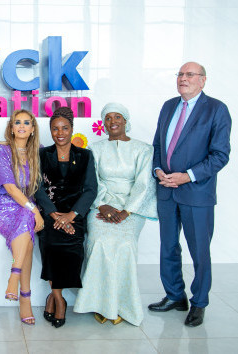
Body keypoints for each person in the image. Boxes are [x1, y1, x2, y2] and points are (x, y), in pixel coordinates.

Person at [149, 62, 232, 327]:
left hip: (196, 193)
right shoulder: (168, 106)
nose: (183, 78)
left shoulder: (216, 109)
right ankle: (175, 296)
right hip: (166, 190)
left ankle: (199, 302)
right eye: (180, 74)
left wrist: (188, 176)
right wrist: (158, 170)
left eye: (189, 74)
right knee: (168, 247)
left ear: (203, 80)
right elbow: (158, 145)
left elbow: (220, 155)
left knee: (199, 251)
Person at [73, 103, 158, 326]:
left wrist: (126, 211)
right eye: (108, 118)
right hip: (101, 206)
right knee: (98, 241)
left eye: (117, 117)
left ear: (125, 121)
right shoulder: (95, 149)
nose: (113, 122)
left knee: (125, 245)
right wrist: (102, 205)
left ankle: (121, 304)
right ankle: (99, 303)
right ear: (103, 123)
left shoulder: (144, 149)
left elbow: (144, 184)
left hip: (131, 209)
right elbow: (92, 181)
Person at [34, 107, 97, 328]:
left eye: (65, 128)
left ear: (72, 129)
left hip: (75, 215)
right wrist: (54, 215)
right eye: (55, 128)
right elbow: (37, 187)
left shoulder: (85, 155)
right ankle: (59, 300)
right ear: (50, 130)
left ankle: (52, 297)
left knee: (71, 253)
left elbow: (90, 189)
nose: (60, 133)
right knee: (51, 247)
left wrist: (71, 215)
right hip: (49, 214)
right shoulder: (42, 154)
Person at [0, 109, 44, 325]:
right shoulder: (1, 150)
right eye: (17, 122)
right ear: (11, 128)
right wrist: (35, 211)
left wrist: (33, 209)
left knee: (26, 229)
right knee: (27, 217)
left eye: (27, 123)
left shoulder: (39, 151)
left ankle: (15, 278)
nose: (22, 126)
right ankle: (24, 295)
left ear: (33, 129)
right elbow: (11, 188)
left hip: (27, 207)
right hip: (5, 207)